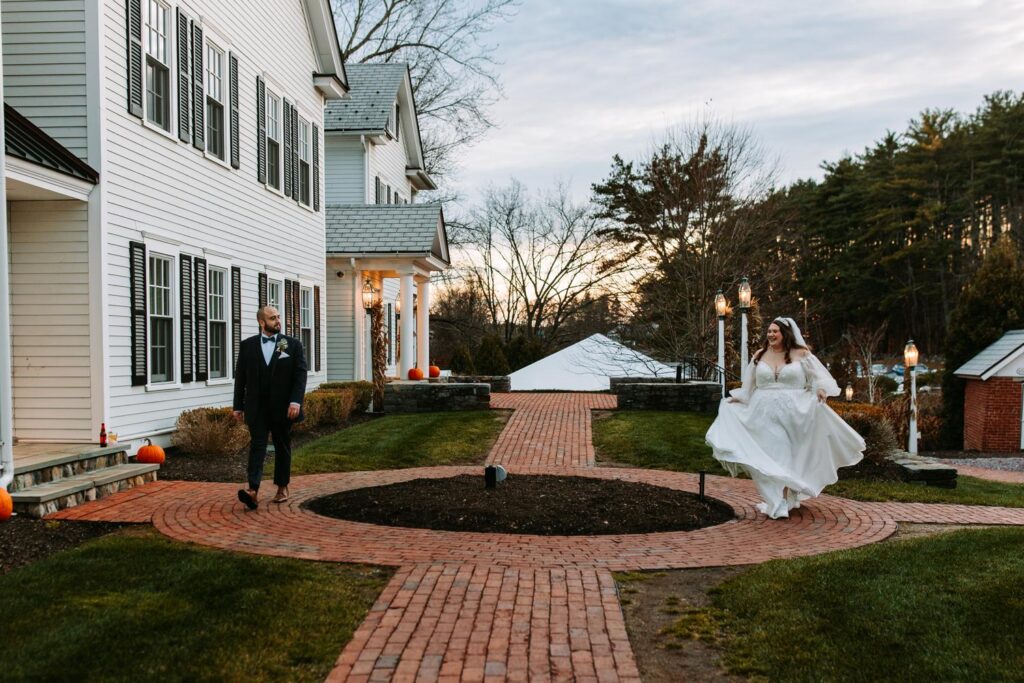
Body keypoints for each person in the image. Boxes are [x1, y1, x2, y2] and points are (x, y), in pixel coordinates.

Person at [705, 317, 865, 519]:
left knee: (793, 455)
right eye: (769, 331)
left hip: (796, 412)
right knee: (775, 453)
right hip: (763, 413)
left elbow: (819, 378)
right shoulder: (759, 355)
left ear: (785, 333)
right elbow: (749, 387)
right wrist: (737, 400)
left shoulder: (801, 354)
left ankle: (790, 496)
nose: (770, 334)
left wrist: (821, 390)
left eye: (775, 331)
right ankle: (776, 501)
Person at [233, 305, 307, 509]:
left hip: (283, 407)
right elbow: (241, 378)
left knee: (282, 445)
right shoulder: (248, 346)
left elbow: (300, 375)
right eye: (272, 318)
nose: (277, 321)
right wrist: (237, 405)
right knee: (257, 446)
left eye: (278, 317)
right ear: (261, 322)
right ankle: (253, 490)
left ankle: (282, 487)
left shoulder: (289, 344)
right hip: (256, 407)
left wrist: (295, 401)